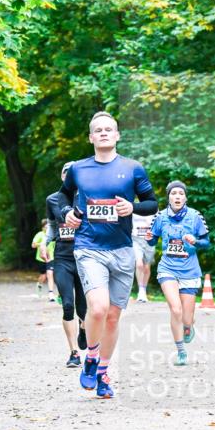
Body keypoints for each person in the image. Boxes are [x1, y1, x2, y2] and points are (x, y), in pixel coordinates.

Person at [58, 111, 159, 399]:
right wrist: (66, 212)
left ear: (117, 135)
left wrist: (132, 207)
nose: (103, 133)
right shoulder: (78, 169)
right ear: (91, 137)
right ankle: (91, 356)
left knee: (113, 316)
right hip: (89, 247)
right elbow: (63, 196)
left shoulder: (133, 168)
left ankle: (102, 372)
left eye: (108, 129)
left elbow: (151, 203)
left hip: (123, 250)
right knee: (99, 308)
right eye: (98, 130)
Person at [146, 181, 210, 366]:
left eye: (181, 194)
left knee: (187, 319)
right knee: (175, 309)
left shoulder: (195, 216)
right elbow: (152, 240)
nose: (177, 196)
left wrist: (195, 241)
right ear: (168, 197)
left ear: (185, 198)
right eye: (173, 193)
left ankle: (188, 326)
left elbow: (206, 242)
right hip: (168, 268)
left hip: (190, 270)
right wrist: (149, 239)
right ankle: (181, 351)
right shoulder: (160, 217)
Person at [47, 162, 87, 368]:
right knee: (68, 305)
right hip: (62, 258)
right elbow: (52, 225)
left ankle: (84, 328)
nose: (69, 176)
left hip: (85, 257)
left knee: (83, 308)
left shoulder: (87, 197)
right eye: (66, 173)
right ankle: (74, 353)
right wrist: (46, 243)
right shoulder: (52, 199)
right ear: (62, 177)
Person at [132, 212, 156, 302]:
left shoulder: (153, 208)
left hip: (149, 240)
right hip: (136, 239)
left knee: (146, 267)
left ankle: (143, 290)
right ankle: (140, 291)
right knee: (139, 264)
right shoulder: (133, 207)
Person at [31, 219, 56, 301]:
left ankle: (51, 293)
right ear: (42, 228)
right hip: (41, 258)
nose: (47, 228)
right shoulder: (40, 234)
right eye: (46, 227)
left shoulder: (53, 234)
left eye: (48, 227)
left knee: (50, 274)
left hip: (51, 258)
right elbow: (33, 245)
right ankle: (39, 284)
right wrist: (42, 244)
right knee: (43, 275)